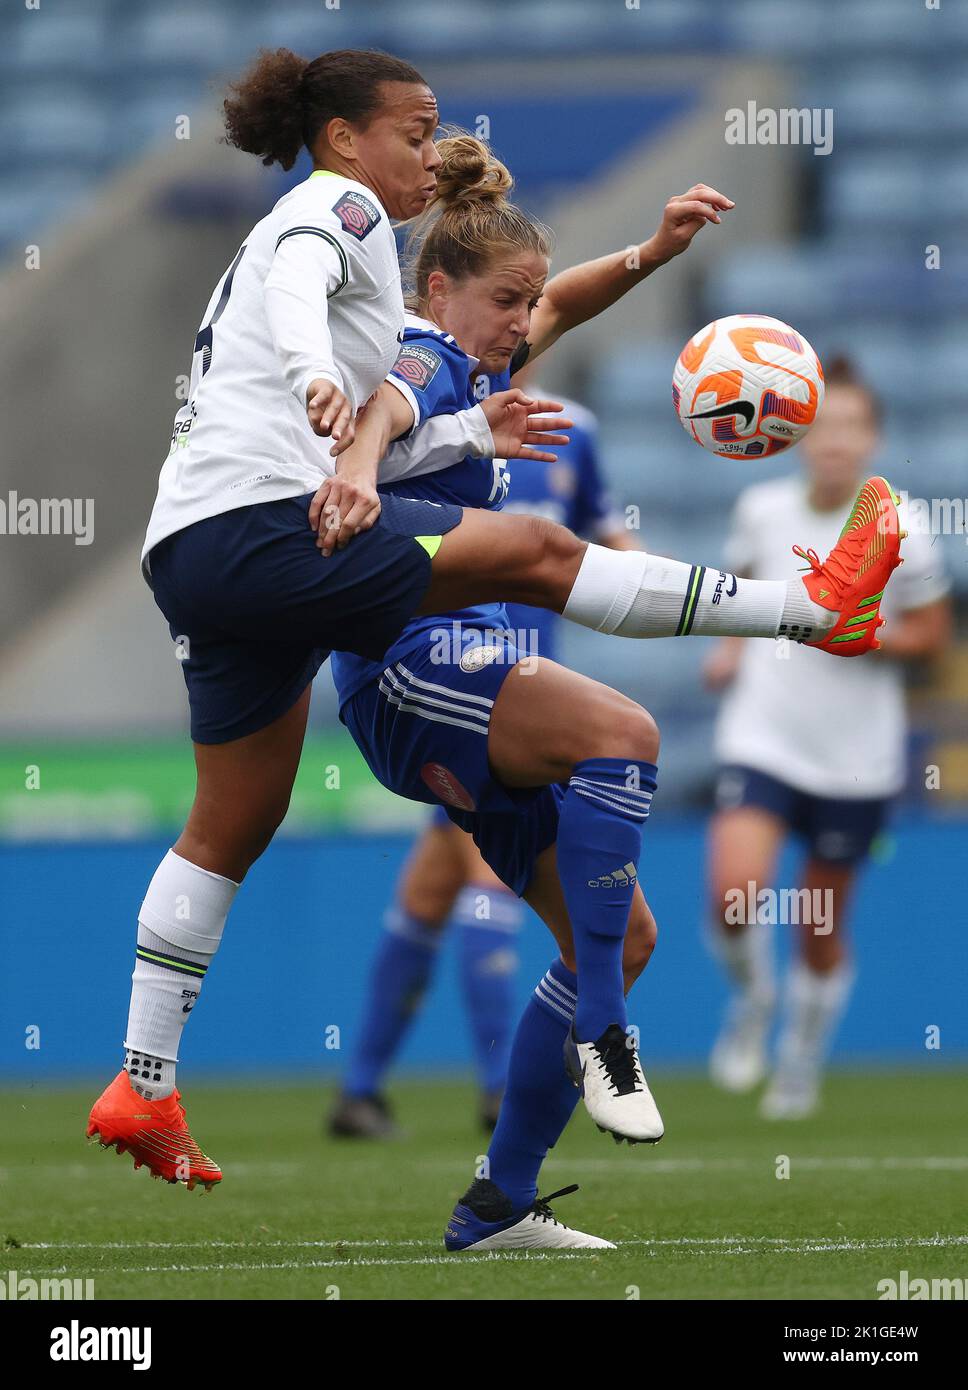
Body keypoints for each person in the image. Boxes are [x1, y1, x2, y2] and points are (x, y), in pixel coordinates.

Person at [85, 47, 904, 1197]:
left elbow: (533, 318)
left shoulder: (468, 353)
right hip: (314, 573)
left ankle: (158, 1083)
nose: (424, 150)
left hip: (208, 549)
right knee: (542, 564)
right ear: (343, 138)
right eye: (411, 130)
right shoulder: (347, 219)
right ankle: (813, 611)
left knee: (238, 819)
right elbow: (348, 353)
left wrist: (647, 256)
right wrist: (338, 407)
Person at [328, 368, 638, 1140]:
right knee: (451, 888)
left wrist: (654, 579)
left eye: (528, 306)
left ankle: (369, 1091)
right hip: (454, 679)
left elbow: (609, 537)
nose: (517, 329)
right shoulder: (432, 424)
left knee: (440, 890)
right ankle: (491, 1087)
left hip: (527, 688)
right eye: (507, 302)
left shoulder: (576, 431)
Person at [703, 356, 951, 1119]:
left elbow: (934, 640)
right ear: (800, 434)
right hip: (764, 735)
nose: (836, 441)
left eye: (853, 427)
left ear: (873, 440)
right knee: (734, 898)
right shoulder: (763, 509)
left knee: (817, 925)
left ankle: (801, 1057)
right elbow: (745, 585)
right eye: (824, 426)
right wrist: (732, 649)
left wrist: (862, 635)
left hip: (854, 762)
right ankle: (752, 999)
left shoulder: (901, 526)